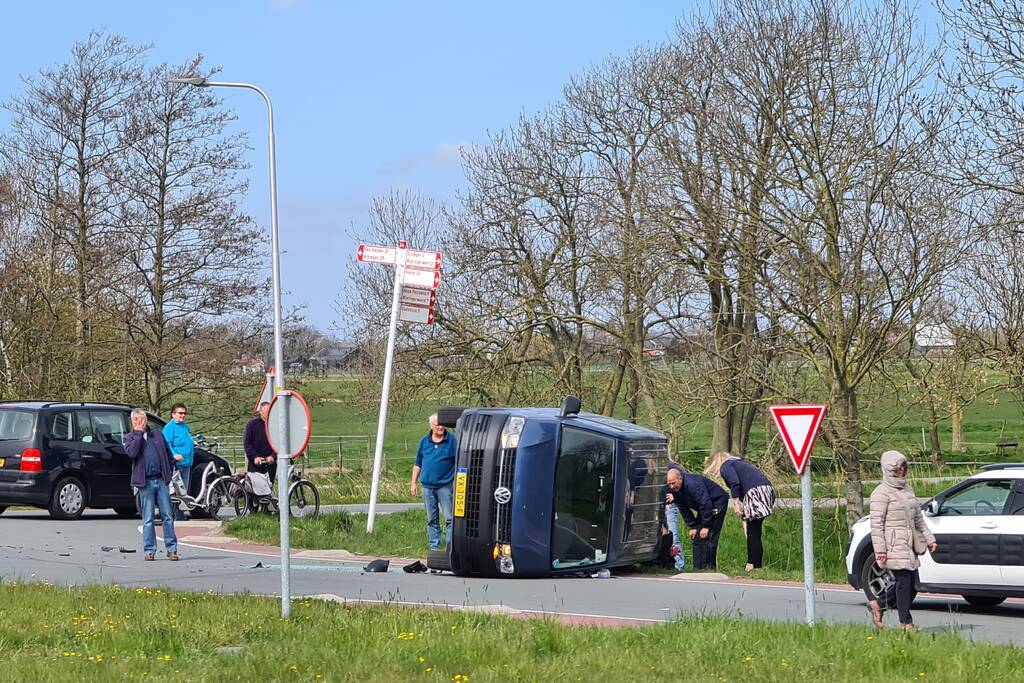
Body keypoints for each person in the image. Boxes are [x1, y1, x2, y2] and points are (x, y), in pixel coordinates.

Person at [868, 450, 936, 631]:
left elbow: (918, 518)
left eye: (905, 468)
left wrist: (930, 539)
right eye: (899, 469)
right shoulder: (880, 494)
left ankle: (879, 604)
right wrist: (880, 550)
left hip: (909, 544)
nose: (903, 472)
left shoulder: (908, 490)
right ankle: (906, 623)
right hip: (892, 545)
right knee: (904, 581)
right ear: (889, 470)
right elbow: (876, 524)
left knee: (910, 584)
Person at [124, 408, 180, 561]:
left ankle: (172, 549)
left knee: (167, 516)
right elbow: (132, 453)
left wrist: (168, 472)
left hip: (161, 480)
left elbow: (168, 455)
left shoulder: (158, 435)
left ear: (146, 420)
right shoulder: (129, 438)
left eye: (141, 419)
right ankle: (149, 550)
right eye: (136, 420)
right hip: (145, 482)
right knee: (148, 518)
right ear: (132, 422)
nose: (139, 422)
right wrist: (138, 435)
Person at [705, 451, 776, 572]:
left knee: (753, 532)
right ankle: (755, 564)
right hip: (767, 490)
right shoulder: (740, 463)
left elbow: (734, 482)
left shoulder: (725, 466)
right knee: (754, 529)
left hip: (755, 492)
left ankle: (753, 564)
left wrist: (736, 504)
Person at [664, 463, 729, 570]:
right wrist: (693, 526)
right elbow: (683, 508)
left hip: (716, 502)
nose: (671, 486)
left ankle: (709, 567)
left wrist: (705, 526)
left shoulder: (692, 484)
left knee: (709, 536)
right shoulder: (675, 490)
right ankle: (697, 568)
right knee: (697, 537)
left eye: (674, 483)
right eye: (669, 484)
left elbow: (705, 503)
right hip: (704, 507)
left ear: (680, 479)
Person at [411, 413, 458, 551]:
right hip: (427, 487)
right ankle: (434, 547)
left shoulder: (452, 441)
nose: (441, 427)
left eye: (442, 424)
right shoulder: (424, 442)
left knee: (449, 519)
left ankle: (450, 547)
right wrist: (413, 483)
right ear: (431, 425)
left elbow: (459, 461)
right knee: (432, 519)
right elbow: (418, 463)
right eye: (437, 424)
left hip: (445, 486)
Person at [163, 403, 195, 521]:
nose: (183, 415)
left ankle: (179, 514)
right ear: (173, 414)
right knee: (174, 491)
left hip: (187, 463)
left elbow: (187, 440)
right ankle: (171, 514)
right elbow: (167, 444)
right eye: (180, 413)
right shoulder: (169, 428)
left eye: (184, 413)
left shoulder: (185, 427)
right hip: (176, 464)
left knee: (183, 491)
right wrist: (174, 455)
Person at [244, 401, 277, 482]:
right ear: (260, 411)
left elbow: (278, 444)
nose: (268, 414)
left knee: (269, 489)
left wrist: (273, 456)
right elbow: (247, 443)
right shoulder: (252, 425)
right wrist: (255, 457)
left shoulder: (275, 425)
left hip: (270, 463)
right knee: (255, 489)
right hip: (255, 464)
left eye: (270, 411)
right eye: (266, 411)